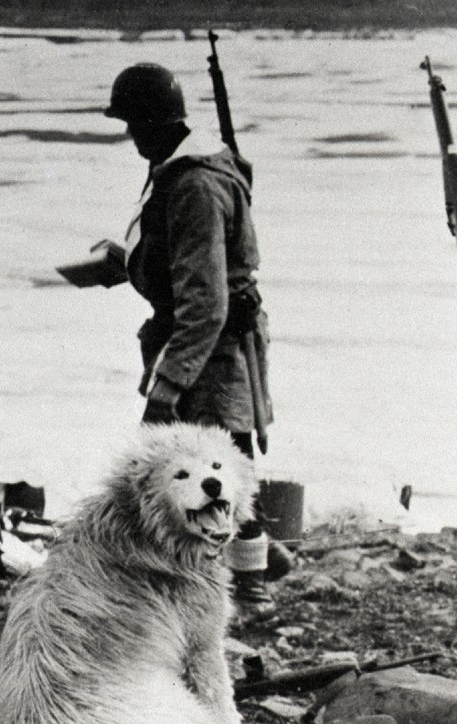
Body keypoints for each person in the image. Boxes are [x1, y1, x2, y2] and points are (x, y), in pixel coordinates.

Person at [107, 62, 278, 615]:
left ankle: (250, 589)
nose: (131, 136)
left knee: (218, 463)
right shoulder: (182, 168)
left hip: (211, 345)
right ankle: (239, 575)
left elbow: (206, 302)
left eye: (135, 124)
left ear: (159, 122)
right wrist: (129, 261)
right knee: (218, 459)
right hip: (208, 339)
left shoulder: (195, 184)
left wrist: (168, 385)